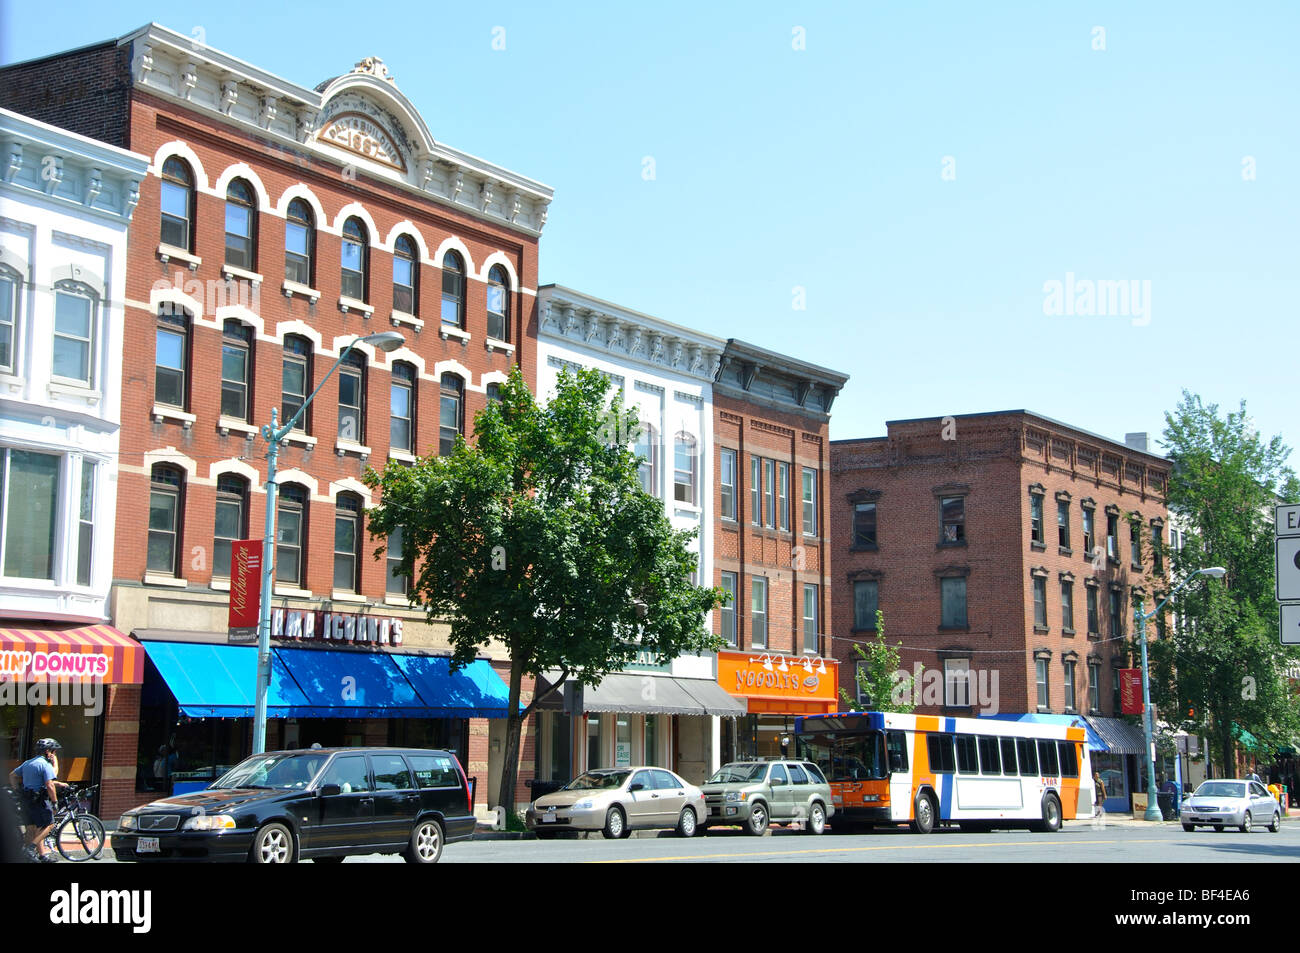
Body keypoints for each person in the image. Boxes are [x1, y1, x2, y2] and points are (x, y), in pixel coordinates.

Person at [8, 739, 70, 863]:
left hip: (26, 800)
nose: (54, 754)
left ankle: (38, 856)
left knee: (32, 829)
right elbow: (49, 784)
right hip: (39, 801)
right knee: (49, 825)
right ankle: (30, 850)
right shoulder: (45, 765)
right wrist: (54, 802)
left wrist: (17, 791)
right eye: (54, 751)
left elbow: (12, 776)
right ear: (48, 751)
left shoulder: (27, 763)